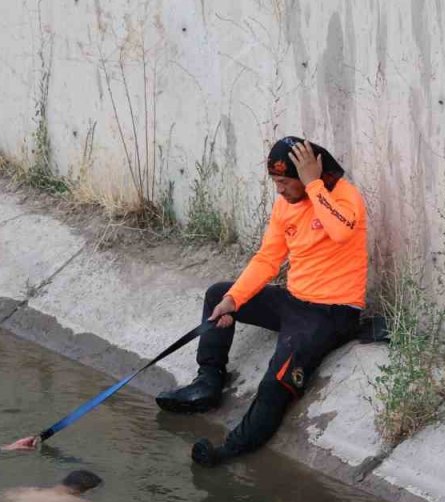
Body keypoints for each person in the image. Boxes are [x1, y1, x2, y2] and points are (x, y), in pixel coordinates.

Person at [157, 137, 367, 466]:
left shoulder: (343, 195)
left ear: (307, 175)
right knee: (218, 293)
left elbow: (341, 232)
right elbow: (268, 259)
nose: (279, 191)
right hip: (295, 301)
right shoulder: (285, 206)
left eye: (285, 183)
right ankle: (208, 383)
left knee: (276, 378)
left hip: (332, 312)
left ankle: (228, 449)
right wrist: (233, 300)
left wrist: (314, 185)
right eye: (275, 183)